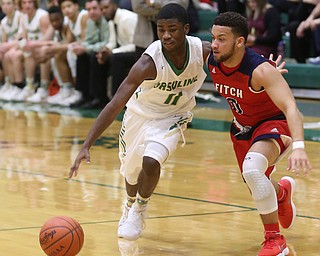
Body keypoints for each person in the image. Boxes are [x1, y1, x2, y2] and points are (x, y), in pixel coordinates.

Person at [69, 3, 212, 240]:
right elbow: (115, 104)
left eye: (173, 29)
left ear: (186, 29)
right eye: (161, 29)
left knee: (151, 161)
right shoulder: (148, 63)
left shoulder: (202, 51)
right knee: (132, 173)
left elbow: (233, 58)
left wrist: (265, 68)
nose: (166, 35)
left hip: (174, 116)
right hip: (139, 115)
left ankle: (140, 208)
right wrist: (86, 144)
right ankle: (128, 204)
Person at [208, 11, 312, 255]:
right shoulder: (212, 58)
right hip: (242, 129)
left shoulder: (261, 71)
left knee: (253, 170)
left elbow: (291, 108)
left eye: (221, 39)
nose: (214, 44)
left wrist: (299, 146)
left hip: (274, 124)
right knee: (256, 183)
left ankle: (275, 241)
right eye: (213, 37)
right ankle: (282, 193)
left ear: (240, 41)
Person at [70, 0, 115, 109]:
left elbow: (107, 42)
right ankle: (85, 95)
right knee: (81, 56)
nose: (92, 12)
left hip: (111, 51)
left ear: (100, 8)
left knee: (94, 56)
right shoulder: (90, 22)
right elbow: (88, 41)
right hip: (96, 50)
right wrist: (81, 46)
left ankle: (99, 97)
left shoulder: (106, 21)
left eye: (94, 8)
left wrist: (86, 48)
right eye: (88, 9)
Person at [96, 0, 137, 99]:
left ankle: (118, 99)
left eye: (106, 7)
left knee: (116, 58)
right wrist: (105, 50)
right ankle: (98, 98)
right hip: (123, 51)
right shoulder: (112, 20)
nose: (104, 11)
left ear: (114, 6)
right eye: (101, 9)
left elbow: (136, 45)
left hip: (139, 52)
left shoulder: (127, 18)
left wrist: (112, 52)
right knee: (96, 56)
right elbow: (112, 42)